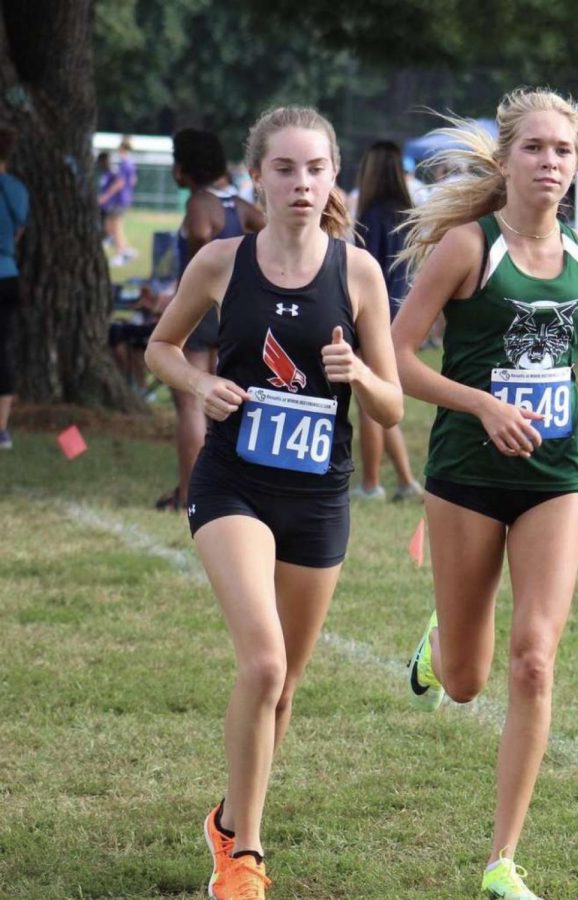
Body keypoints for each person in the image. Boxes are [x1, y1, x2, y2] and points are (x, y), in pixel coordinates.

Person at [145, 106, 402, 899]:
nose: (300, 183)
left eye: (315, 168)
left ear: (335, 176)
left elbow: (392, 409)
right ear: (257, 175)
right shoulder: (223, 261)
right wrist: (199, 382)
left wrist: (358, 374)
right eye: (284, 168)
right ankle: (244, 858)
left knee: (285, 686)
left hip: (318, 496)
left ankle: (228, 816)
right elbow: (161, 346)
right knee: (263, 661)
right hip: (233, 484)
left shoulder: (356, 272)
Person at [391, 88, 578, 898]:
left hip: (553, 479)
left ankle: (501, 861)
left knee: (534, 659)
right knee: (468, 680)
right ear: (506, 161)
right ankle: (441, 648)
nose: (550, 163)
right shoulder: (468, 247)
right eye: (534, 148)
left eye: (563, 150)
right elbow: (397, 358)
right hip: (465, 475)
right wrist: (483, 404)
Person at [155, 128, 265, 512]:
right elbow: (269, 233)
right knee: (222, 403)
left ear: (185, 167)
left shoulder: (199, 203)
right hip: (232, 312)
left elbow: (201, 236)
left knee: (190, 404)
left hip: (200, 313)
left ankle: (188, 494)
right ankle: (213, 487)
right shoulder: (238, 204)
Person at [352, 140, 423, 501]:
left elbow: (364, 271)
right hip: (404, 315)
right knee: (384, 399)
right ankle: (407, 482)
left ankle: (369, 484)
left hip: (376, 317)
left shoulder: (374, 216)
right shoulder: (408, 213)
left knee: (369, 398)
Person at [0, 126, 30, 451]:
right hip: (6, 274)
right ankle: (2, 428)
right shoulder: (16, 190)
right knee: (3, 350)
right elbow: (18, 231)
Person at [101, 136, 137, 267]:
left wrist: (106, 196)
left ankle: (121, 254)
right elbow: (133, 181)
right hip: (125, 198)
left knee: (115, 228)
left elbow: (120, 183)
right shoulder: (131, 163)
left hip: (119, 200)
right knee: (113, 227)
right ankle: (126, 251)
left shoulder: (124, 163)